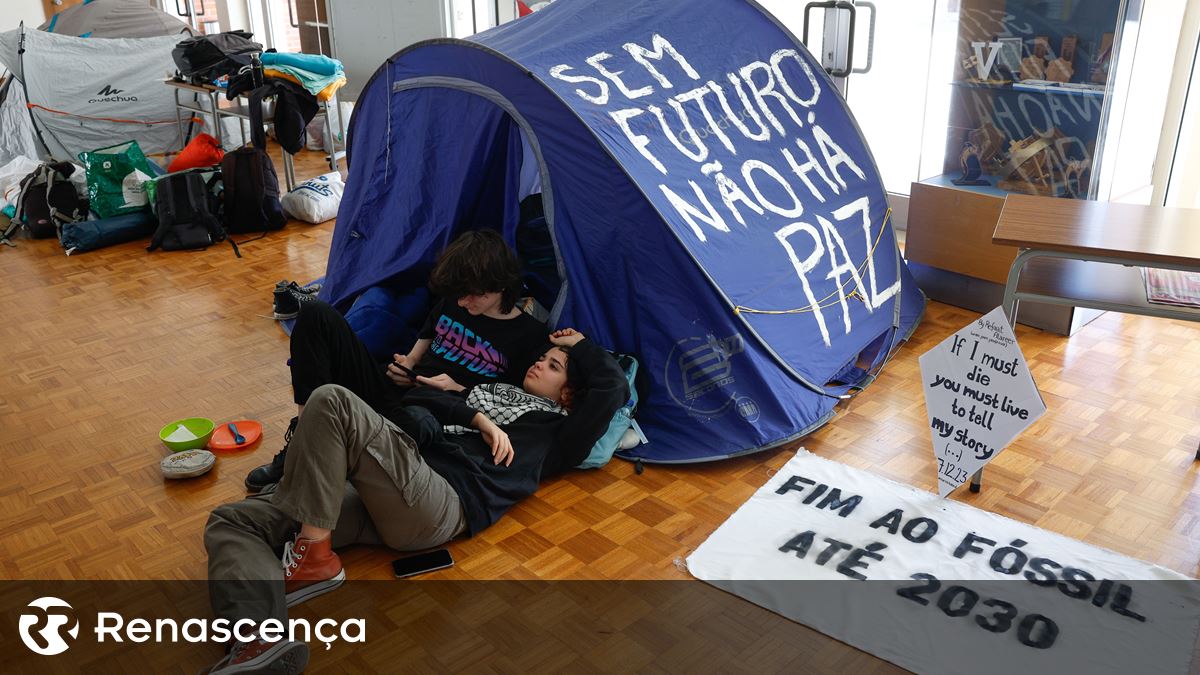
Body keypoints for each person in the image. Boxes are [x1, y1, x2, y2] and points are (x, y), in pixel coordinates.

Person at [204, 329, 628, 673]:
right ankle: (256, 640)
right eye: (546, 356)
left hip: (441, 501)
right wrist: (476, 417)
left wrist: (583, 347)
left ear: (569, 395)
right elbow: (421, 399)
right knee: (231, 520)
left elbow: (612, 389)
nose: (541, 362)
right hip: (389, 485)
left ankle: (314, 557)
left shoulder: (557, 433)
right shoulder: (491, 391)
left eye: (555, 366)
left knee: (332, 400)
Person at [245, 229, 548, 492]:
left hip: (433, 414)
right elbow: (425, 339)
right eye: (459, 295)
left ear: (502, 286)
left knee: (418, 424)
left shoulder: (528, 335)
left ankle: (343, 452)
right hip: (395, 391)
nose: (462, 302)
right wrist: (409, 364)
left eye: (474, 296)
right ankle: (304, 440)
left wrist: (464, 390)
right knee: (314, 315)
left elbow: (514, 402)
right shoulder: (456, 301)